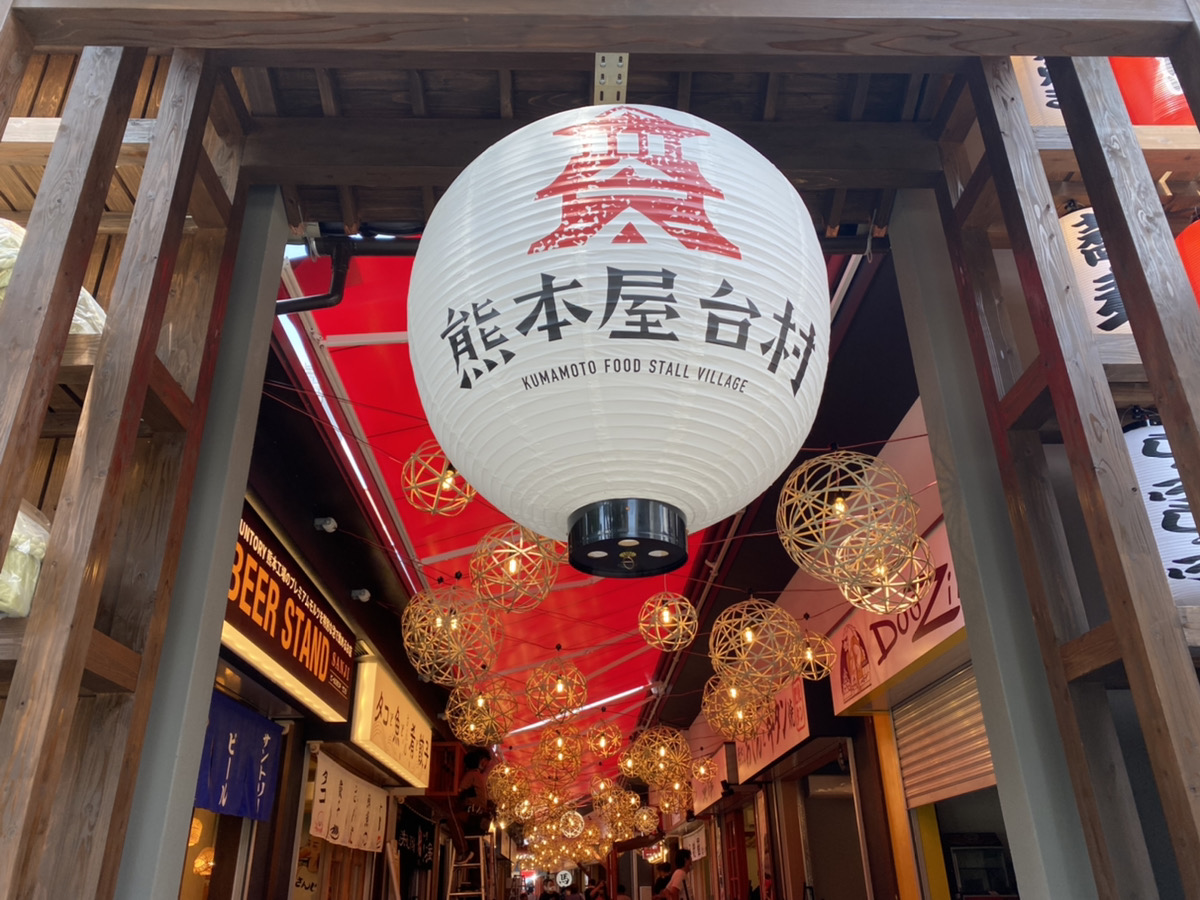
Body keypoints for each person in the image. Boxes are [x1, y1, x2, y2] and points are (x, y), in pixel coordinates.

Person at [454, 748, 494, 856]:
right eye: (484, 761)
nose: (484, 765)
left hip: (474, 817)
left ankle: (463, 850)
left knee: (452, 818)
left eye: (485, 763)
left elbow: (458, 791)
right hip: (480, 820)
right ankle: (467, 851)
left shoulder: (472, 775)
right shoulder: (480, 777)